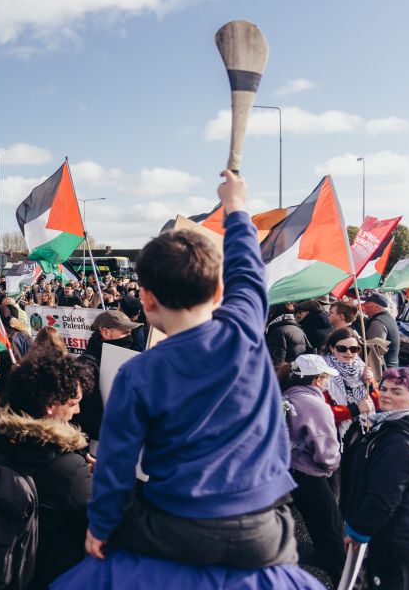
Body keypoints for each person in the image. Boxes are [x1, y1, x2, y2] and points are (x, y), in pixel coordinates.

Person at [85, 171, 298, 569]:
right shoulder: (246, 330)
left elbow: (115, 465)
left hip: (176, 526)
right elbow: (248, 270)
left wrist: (100, 525)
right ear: (218, 292)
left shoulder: (137, 374)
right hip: (264, 531)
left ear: (146, 299)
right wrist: (236, 208)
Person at [0, 351, 94, 588]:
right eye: (72, 403)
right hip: (45, 574)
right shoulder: (67, 467)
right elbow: (104, 520)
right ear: (50, 405)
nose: (77, 411)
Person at [344, 366, 409, 589]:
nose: (386, 394)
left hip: (395, 538)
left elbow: (384, 496)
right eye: (384, 388)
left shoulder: (399, 440)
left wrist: (358, 531)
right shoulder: (389, 427)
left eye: (397, 392)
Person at [281, 354, 344, 584]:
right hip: (310, 473)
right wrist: (333, 465)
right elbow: (326, 452)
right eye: (326, 378)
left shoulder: (286, 395)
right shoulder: (316, 405)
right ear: (318, 380)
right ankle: (342, 578)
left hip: (287, 469)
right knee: (331, 530)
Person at [75, 310, 142, 443]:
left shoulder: (121, 360)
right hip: (93, 446)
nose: (130, 337)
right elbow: (86, 415)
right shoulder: (86, 367)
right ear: (105, 332)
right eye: (125, 332)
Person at [363, 291, 401, 369]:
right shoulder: (387, 318)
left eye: (367, 302)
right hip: (391, 369)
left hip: (385, 372)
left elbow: (375, 353)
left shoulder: (377, 323)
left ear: (376, 307)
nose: (364, 304)